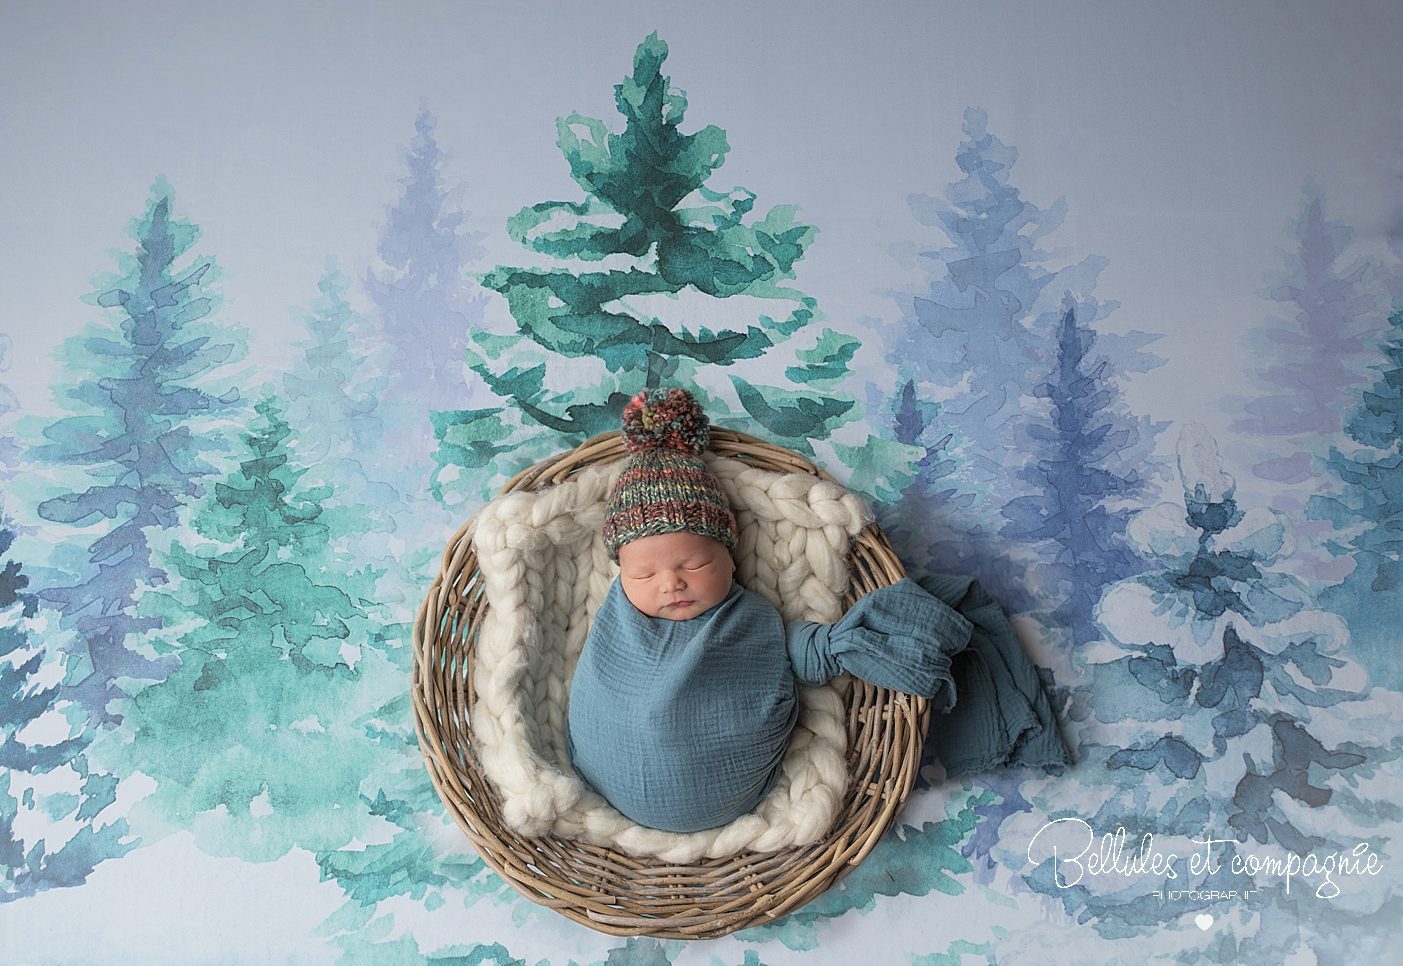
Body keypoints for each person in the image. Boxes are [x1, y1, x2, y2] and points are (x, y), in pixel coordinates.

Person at [567, 387, 996, 833]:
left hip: (725, 782)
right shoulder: (617, 618)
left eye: (694, 564)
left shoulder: (750, 619)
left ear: (731, 557)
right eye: (643, 575)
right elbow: (600, 677)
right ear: (621, 575)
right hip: (605, 775)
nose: (671, 583)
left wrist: (831, 646)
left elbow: (795, 653)